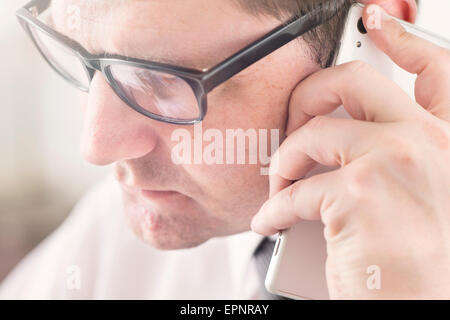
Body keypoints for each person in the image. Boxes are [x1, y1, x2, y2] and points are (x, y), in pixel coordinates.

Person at [1, 0, 449, 299]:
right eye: (82, 58)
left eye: (162, 78)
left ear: (375, 30)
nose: (95, 147)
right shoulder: (113, 236)